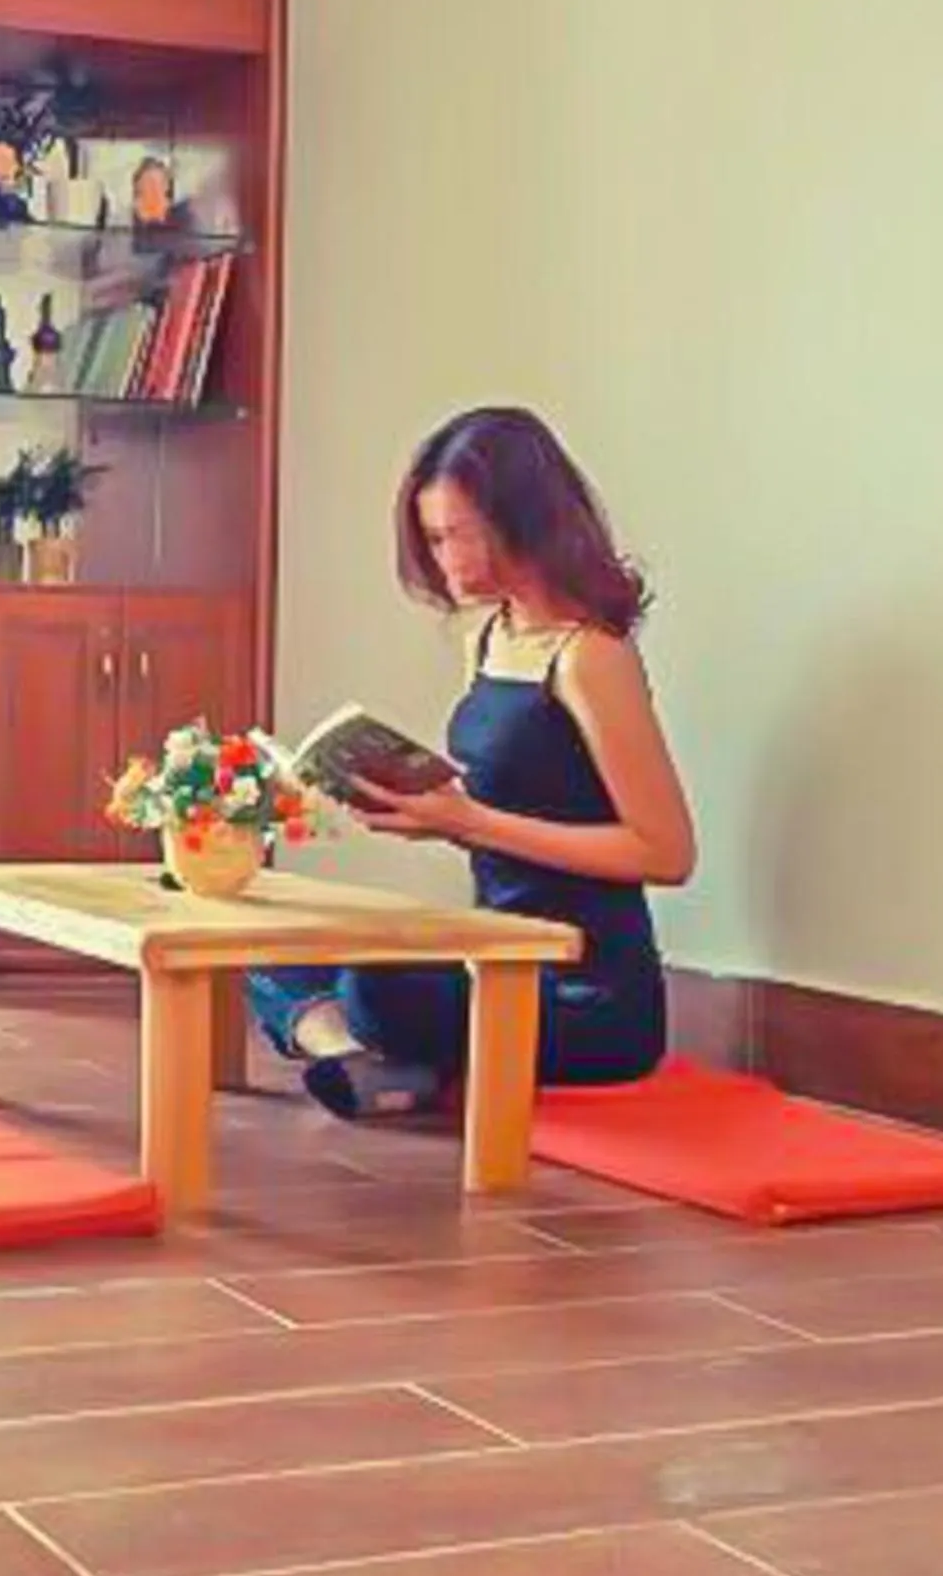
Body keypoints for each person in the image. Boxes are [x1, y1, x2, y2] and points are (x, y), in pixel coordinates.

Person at [248, 406, 697, 1118]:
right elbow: (500, 810)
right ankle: (363, 1063)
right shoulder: (487, 638)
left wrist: (472, 821)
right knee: (267, 951)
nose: (440, 559)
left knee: (374, 991)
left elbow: (666, 852)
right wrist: (426, 812)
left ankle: (377, 1061)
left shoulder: (589, 657)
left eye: (454, 535)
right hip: (491, 951)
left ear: (521, 520)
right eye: (430, 537)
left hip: (584, 989)